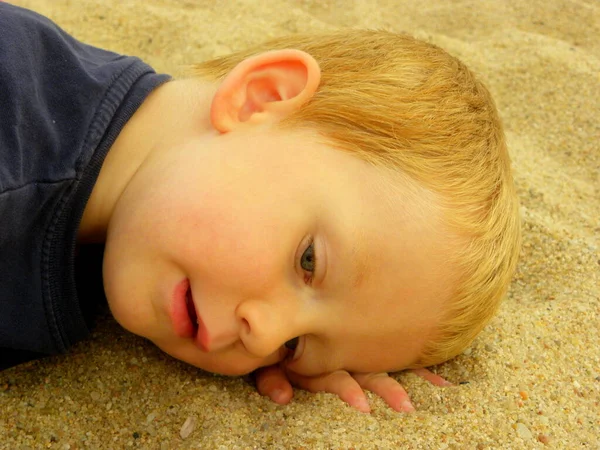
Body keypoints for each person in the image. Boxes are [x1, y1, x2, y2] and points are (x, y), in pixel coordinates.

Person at [0, 3, 521, 413]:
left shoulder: (130, 220)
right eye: (309, 262)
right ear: (261, 98)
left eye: (293, 346)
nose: (264, 335)